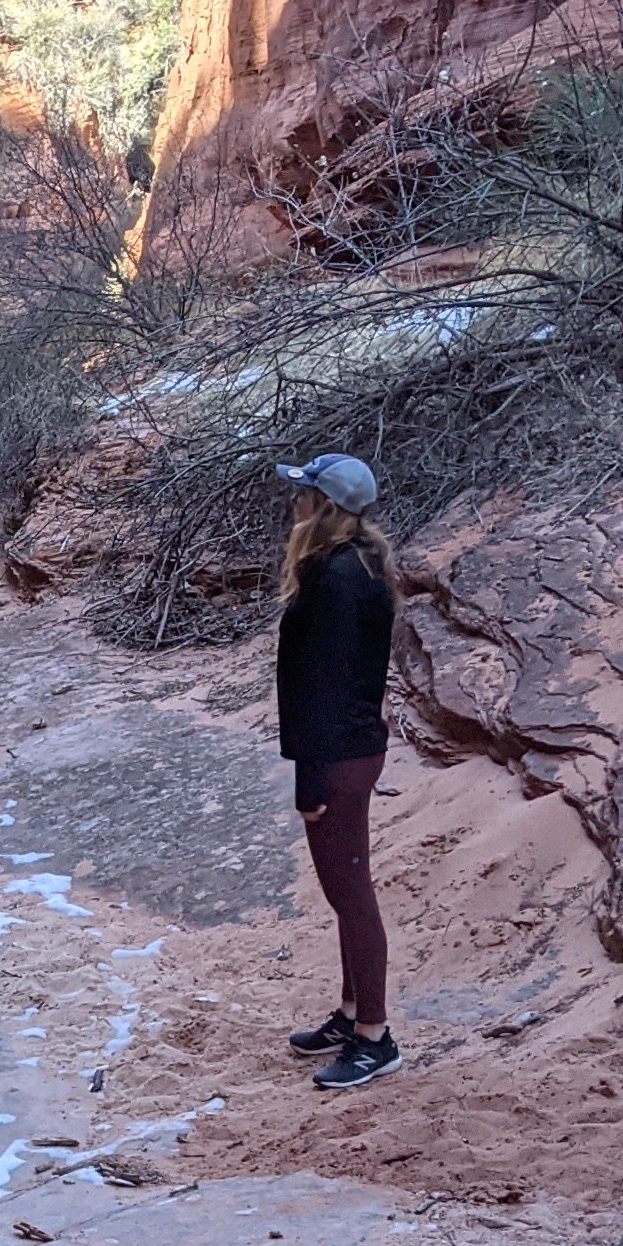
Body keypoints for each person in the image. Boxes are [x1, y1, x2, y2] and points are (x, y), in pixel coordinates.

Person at [276, 452, 403, 1090]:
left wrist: (308, 782)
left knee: (351, 896)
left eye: (302, 494)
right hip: (351, 747)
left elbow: (319, 690)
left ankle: (375, 1038)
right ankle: (353, 1013)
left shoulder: (335, 580)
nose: (293, 502)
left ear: (324, 507)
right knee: (343, 893)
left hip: (339, 757)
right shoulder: (358, 564)